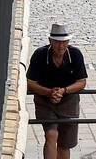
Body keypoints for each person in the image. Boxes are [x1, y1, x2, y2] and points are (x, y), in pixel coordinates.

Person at [27, 23, 87, 159]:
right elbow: (30, 83)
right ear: (50, 41)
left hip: (69, 101)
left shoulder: (75, 54)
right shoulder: (40, 55)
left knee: (64, 144)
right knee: (51, 134)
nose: (61, 46)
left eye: (64, 42)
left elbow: (81, 82)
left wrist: (63, 91)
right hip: (45, 101)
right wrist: (49, 92)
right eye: (57, 42)